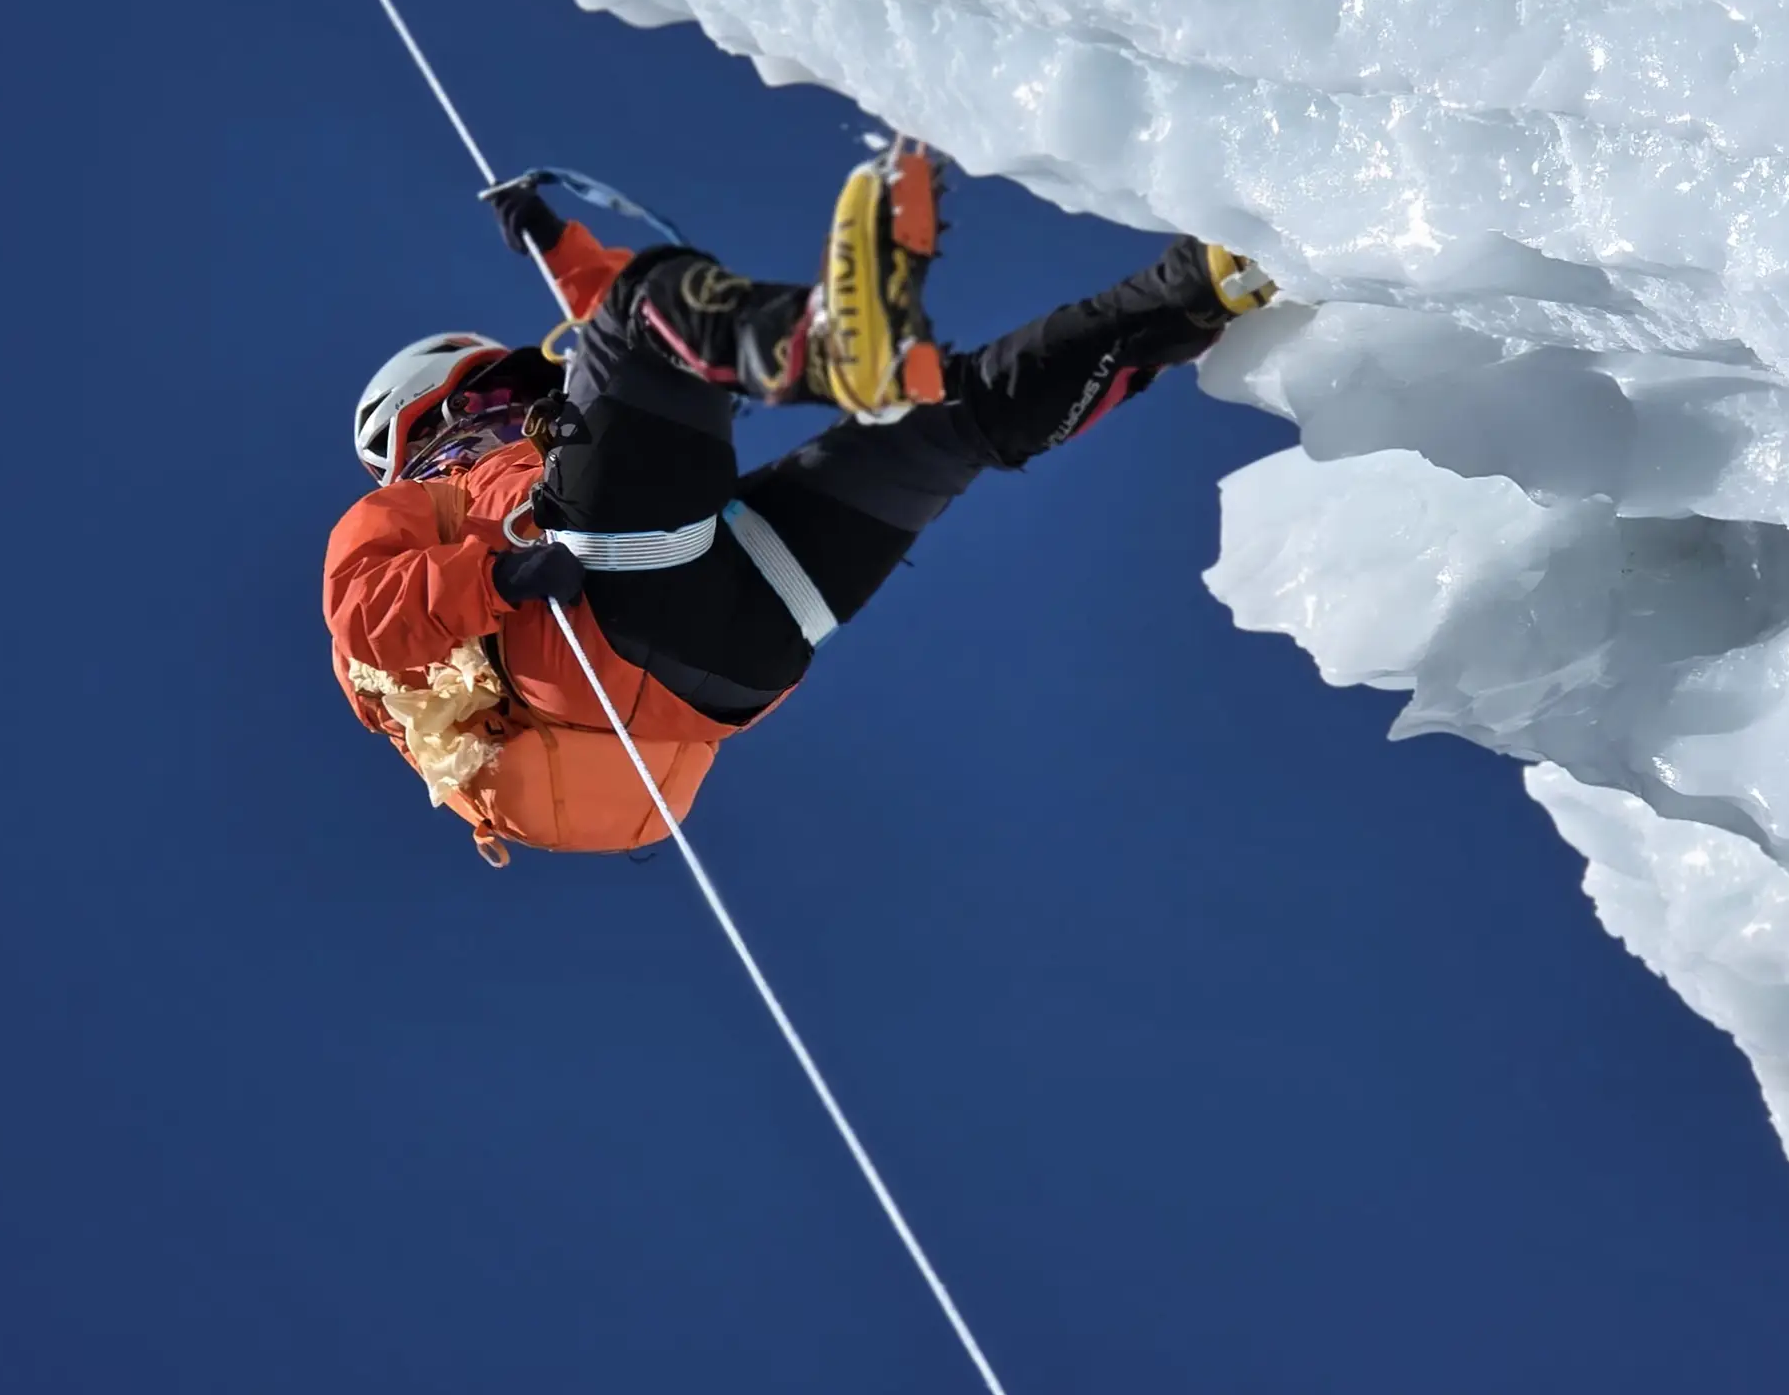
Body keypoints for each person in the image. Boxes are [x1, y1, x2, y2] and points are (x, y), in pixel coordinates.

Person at [323, 139, 1275, 865]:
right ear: (424, 427)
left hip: (724, 657)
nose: (520, 405)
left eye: (520, 391)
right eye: (488, 398)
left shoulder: (537, 460)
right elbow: (366, 621)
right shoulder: (415, 503)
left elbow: (633, 368)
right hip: (587, 620)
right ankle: (834, 350)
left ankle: (1198, 292)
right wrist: (495, 572)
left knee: (947, 422)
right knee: (648, 313)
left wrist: (560, 245)